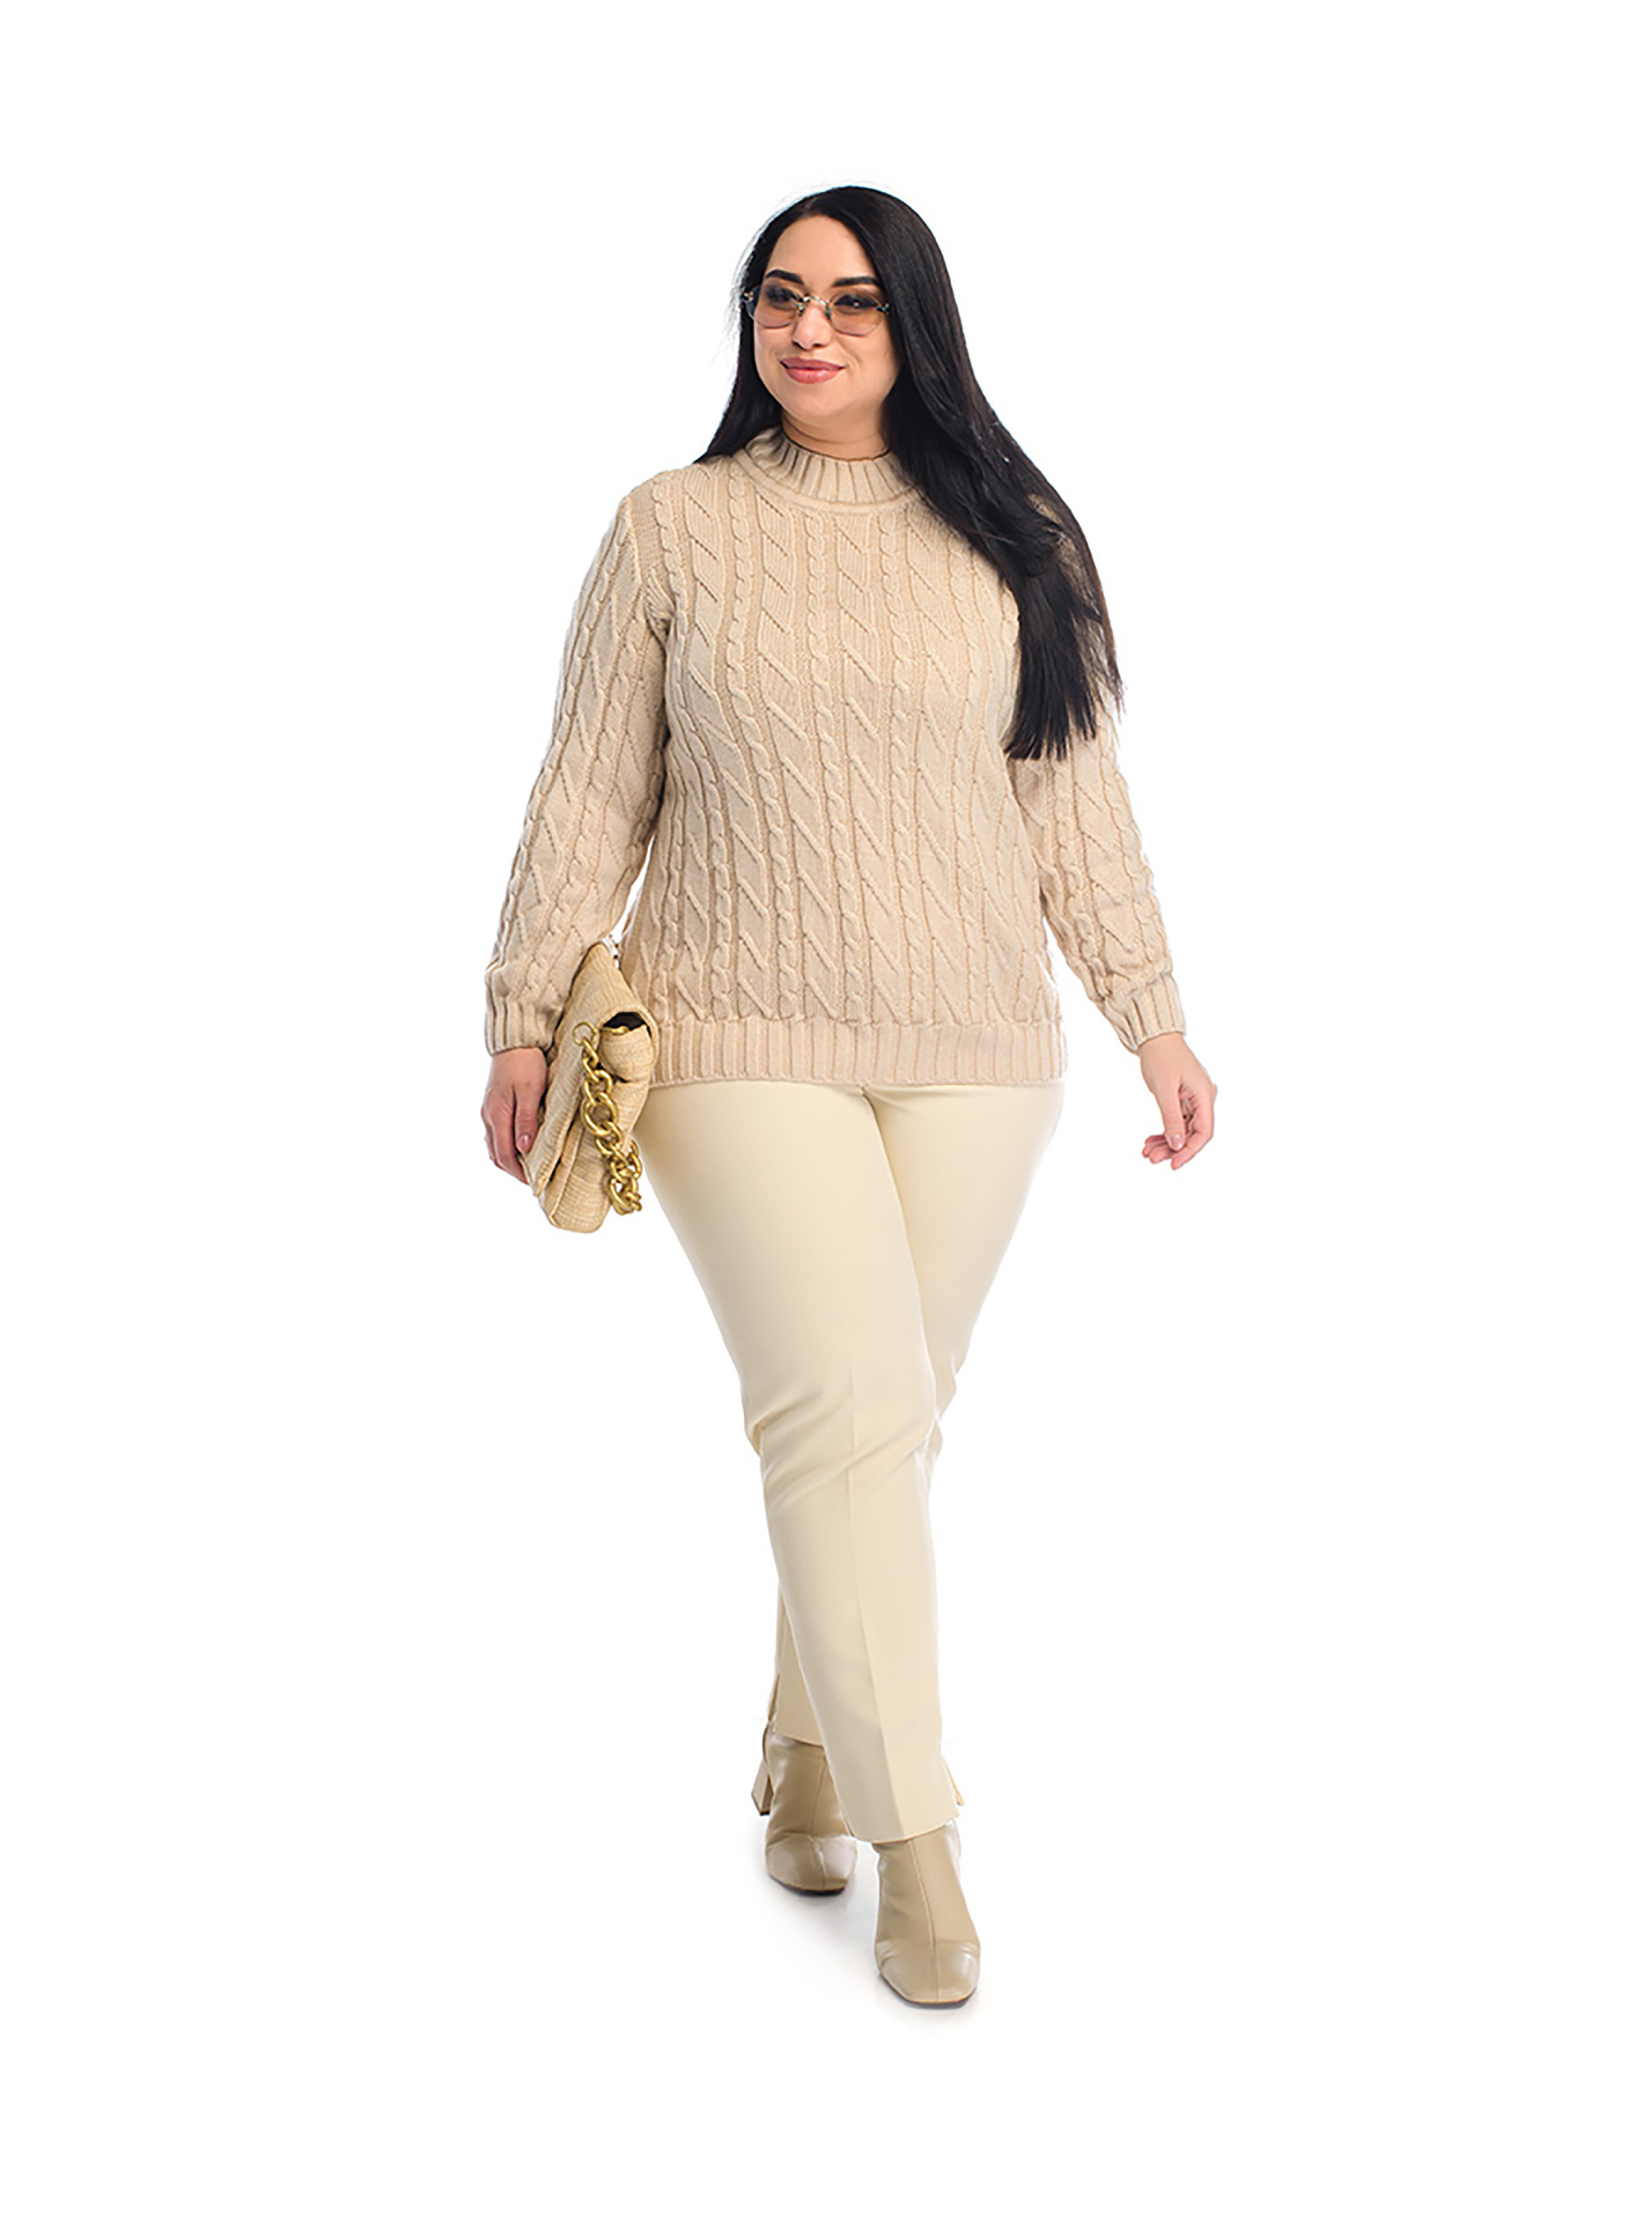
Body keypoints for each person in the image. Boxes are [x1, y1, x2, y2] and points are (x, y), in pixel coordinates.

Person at [479, 185, 1216, 2007]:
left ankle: (804, 1747)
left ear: (915, 327)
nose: (808, 330)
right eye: (780, 297)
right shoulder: (670, 527)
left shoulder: (1018, 535)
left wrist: (1153, 1019)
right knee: (847, 1404)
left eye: (853, 302)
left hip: (975, 1047)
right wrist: (518, 1013)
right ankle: (917, 1841)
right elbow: (591, 789)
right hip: (732, 1033)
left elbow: (1069, 796)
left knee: (881, 1425)